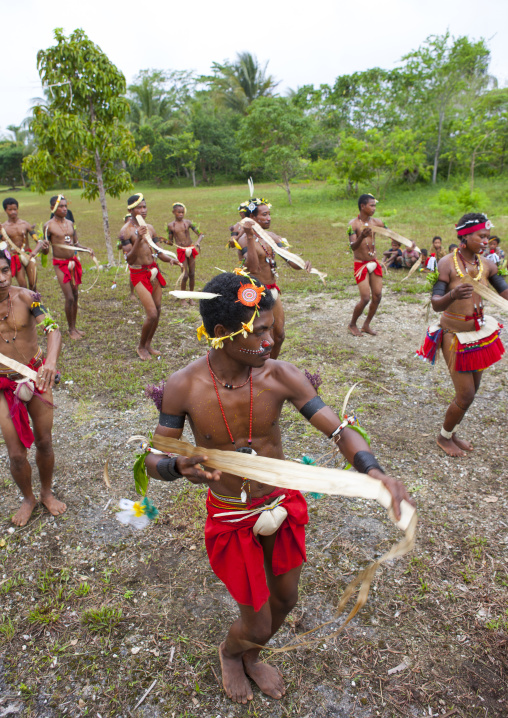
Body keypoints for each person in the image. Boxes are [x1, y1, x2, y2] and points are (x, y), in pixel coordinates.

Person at [144, 270, 413, 704]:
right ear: (221, 333)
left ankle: (253, 655)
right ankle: (234, 654)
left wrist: (373, 469)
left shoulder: (280, 375)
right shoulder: (184, 387)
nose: (271, 341)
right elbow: (152, 460)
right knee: (256, 622)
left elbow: (339, 430)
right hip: (232, 515)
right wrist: (177, 466)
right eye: (261, 331)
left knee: (285, 600)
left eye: (272, 328)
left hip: (282, 504)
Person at [416, 213, 508, 457]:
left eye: (488, 236)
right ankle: (443, 438)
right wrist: (453, 296)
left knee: (472, 392)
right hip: (454, 335)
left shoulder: (487, 264)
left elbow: (504, 293)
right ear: (465, 238)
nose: (486, 241)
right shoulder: (446, 263)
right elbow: (436, 303)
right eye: (481, 236)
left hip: (478, 335)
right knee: (465, 394)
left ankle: (451, 432)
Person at [0, 249, 65, 526]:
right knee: (15, 453)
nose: (1, 278)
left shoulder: (28, 297)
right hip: (3, 385)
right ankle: (28, 498)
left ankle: (46, 492)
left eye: (4, 270)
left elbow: (52, 329)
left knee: (45, 441)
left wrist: (50, 362)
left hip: (37, 376)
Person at [236, 198, 311, 359]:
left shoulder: (273, 237)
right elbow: (253, 267)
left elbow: (291, 261)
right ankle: (258, 370)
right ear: (253, 218)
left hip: (272, 290)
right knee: (263, 337)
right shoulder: (243, 240)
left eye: (269, 214)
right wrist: (250, 236)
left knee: (279, 336)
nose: (269, 218)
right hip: (255, 293)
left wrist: (302, 264)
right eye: (264, 214)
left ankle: (270, 367)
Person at [123, 193, 180, 360]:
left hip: (153, 271)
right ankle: (140, 347)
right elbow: (129, 259)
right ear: (130, 210)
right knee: (152, 314)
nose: (142, 210)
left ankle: (148, 343)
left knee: (158, 309)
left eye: (144, 207)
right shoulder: (125, 231)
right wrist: (139, 239)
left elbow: (158, 251)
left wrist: (172, 260)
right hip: (138, 273)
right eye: (138, 208)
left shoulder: (151, 228)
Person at [43, 195, 95, 340]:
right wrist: (45, 248)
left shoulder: (71, 223)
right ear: (52, 208)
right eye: (61, 206)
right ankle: (71, 329)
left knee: (76, 295)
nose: (64, 209)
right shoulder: (48, 226)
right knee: (70, 297)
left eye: (65, 206)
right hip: (60, 264)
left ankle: (75, 327)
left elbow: (76, 244)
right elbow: (46, 250)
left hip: (73, 262)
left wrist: (87, 249)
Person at [347, 194, 385, 336]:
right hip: (361, 265)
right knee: (365, 298)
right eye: (372, 205)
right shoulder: (353, 225)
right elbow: (353, 246)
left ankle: (366, 325)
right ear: (363, 206)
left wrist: (405, 242)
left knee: (377, 295)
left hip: (374, 263)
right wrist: (362, 236)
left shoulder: (377, 222)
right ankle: (352, 324)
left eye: (375, 205)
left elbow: (390, 233)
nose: (374, 208)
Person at [1, 197, 46, 290]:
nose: (13, 212)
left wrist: (34, 252)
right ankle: (27, 303)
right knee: (23, 286)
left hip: (28, 255)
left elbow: (38, 241)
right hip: (15, 258)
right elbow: (2, 246)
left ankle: (35, 303)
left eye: (15, 209)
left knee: (33, 285)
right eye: (10, 209)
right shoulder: (3, 228)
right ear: (5, 210)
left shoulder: (25, 224)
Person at [167, 202, 204, 302]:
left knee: (192, 274)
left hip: (191, 249)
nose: (181, 214)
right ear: (173, 212)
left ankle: (190, 297)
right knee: (185, 275)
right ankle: (183, 298)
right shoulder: (171, 226)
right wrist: (166, 241)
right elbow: (170, 242)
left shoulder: (188, 223)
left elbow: (201, 234)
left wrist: (197, 242)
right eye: (178, 212)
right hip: (181, 250)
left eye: (182, 212)